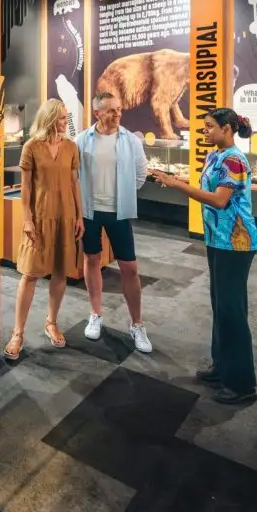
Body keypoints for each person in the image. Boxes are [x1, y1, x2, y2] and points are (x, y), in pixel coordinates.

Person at [151, 108, 257, 405]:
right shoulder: (215, 156)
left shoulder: (235, 160)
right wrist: (177, 179)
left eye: (209, 127)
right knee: (220, 306)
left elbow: (220, 201)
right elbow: (208, 187)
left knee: (232, 311)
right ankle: (222, 367)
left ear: (227, 129)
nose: (204, 132)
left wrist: (178, 185)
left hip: (236, 243)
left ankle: (242, 384)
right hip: (218, 240)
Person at [4, 99, 83, 360]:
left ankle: (51, 322)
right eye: (60, 118)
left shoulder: (71, 147)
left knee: (60, 271)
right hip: (39, 219)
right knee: (29, 274)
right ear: (48, 119)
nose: (64, 122)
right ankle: (17, 333)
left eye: (65, 117)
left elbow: (74, 184)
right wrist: (27, 220)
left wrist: (79, 216)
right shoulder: (32, 147)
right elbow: (25, 188)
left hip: (65, 217)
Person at [76, 92, 152, 353]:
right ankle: (95, 314)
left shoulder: (131, 140)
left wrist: (125, 194)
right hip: (89, 211)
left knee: (129, 267)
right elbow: (75, 175)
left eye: (119, 109)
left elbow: (141, 174)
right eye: (110, 110)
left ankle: (137, 324)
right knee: (92, 260)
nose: (117, 114)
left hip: (118, 212)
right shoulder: (81, 140)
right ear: (97, 113)